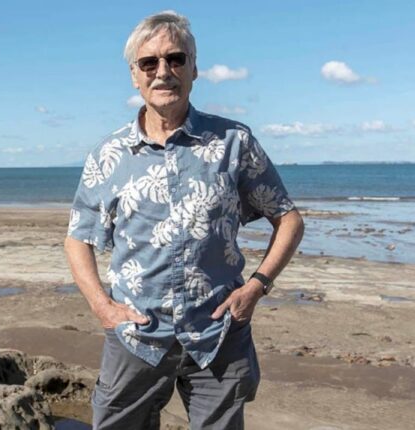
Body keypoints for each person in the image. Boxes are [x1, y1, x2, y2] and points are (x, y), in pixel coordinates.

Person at [64, 10, 304, 430]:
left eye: (176, 59)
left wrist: (257, 287)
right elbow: (78, 238)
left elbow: (288, 219)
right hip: (136, 337)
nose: (163, 72)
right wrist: (101, 306)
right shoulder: (109, 155)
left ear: (194, 68)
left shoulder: (234, 142)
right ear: (134, 76)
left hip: (218, 334)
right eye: (149, 63)